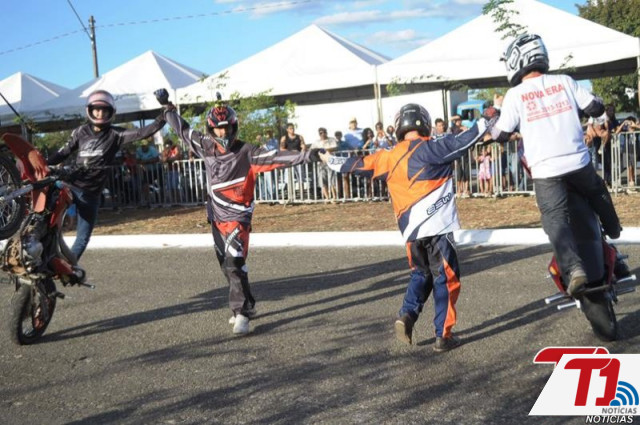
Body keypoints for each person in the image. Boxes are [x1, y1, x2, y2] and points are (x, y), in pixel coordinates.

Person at [321, 103, 495, 352]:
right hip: (438, 227)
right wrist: (488, 116)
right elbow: (467, 139)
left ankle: (407, 315)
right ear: (425, 123)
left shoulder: (387, 156)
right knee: (446, 280)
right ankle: (443, 335)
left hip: (411, 233)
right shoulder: (434, 146)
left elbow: (355, 164)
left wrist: (329, 159)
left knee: (420, 274)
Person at [154, 88, 322, 335]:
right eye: (217, 129)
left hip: (238, 217)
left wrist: (308, 155)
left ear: (233, 127)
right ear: (211, 129)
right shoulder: (204, 145)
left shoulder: (247, 152)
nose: (222, 133)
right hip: (215, 216)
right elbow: (183, 129)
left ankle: (241, 312)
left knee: (235, 261)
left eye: (226, 127)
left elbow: (277, 156)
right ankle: (248, 303)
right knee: (227, 265)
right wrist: (167, 106)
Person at [488, 33, 621, 297]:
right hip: (577, 161)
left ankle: (574, 269)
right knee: (597, 190)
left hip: (546, 171)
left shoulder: (515, 94)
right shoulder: (564, 81)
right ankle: (613, 227)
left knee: (555, 219)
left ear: (516, 61)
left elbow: (500, 134)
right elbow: (595, 107)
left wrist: (493, 120)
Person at [47, 90, 165, 259]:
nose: (100, 113)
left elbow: (142, 133)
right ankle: (37, 246)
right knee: (48, 206)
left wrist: (164, 113)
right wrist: (43, 164)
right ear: (90, 110)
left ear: (111, 112)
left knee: (83, 237)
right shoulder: (80, 131)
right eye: (96, 109)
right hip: (72, 186)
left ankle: (67, 266)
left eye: (104, 110)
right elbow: (62, 153)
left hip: (91, 194)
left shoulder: (115, 134)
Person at [311, 127, 338, 201]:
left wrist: (324, 150)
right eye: (321, 133)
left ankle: (334, 197)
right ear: (319, 134)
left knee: (332, 180)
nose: (323, 134)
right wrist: (319, 151)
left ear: (326, 132)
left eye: (324, 132)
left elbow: (335, 148)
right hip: (321, 163)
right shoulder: (316, 142)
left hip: (331, 162)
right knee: (322, 181)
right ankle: (327, 198)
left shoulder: (332, 139)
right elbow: (312, 150)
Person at [136, 138, 162, 206]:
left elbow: (157, 159)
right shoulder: (138, 150)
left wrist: (145, 161)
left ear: (147, 145)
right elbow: (138, 160)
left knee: (159, 185)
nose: (144, 147)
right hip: (147, 171)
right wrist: (149, 161)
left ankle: (161, 199)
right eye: (143, 146)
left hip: (157, 170)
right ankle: (148, 201)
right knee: (145, 185)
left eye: (145, 146)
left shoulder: (152, 149)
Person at [450, 115, 470, 197]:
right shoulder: (453, 129)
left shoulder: (465, 127)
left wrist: (465, 129)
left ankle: (466, 189)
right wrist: (455, 117)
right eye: (457, 120)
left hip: (465, 151)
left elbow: (469, 134)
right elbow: (448, 121)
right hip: (457, 152)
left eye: (460, 120)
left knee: (466, 171)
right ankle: (459, 190)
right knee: (459, 172)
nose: (458, 121)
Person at [162, 138, 182, 204]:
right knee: (169, 186)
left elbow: (177, 157)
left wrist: (168, 159)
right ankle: (173, 201)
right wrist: (167, 156)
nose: (168, 147)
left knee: (175, 185)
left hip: (176, 170)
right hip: (169, 170)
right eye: (167, 146)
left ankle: (178, 200)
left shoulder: (176, 148)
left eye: (169, 145)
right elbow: (163, 160)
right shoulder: (165, 150)